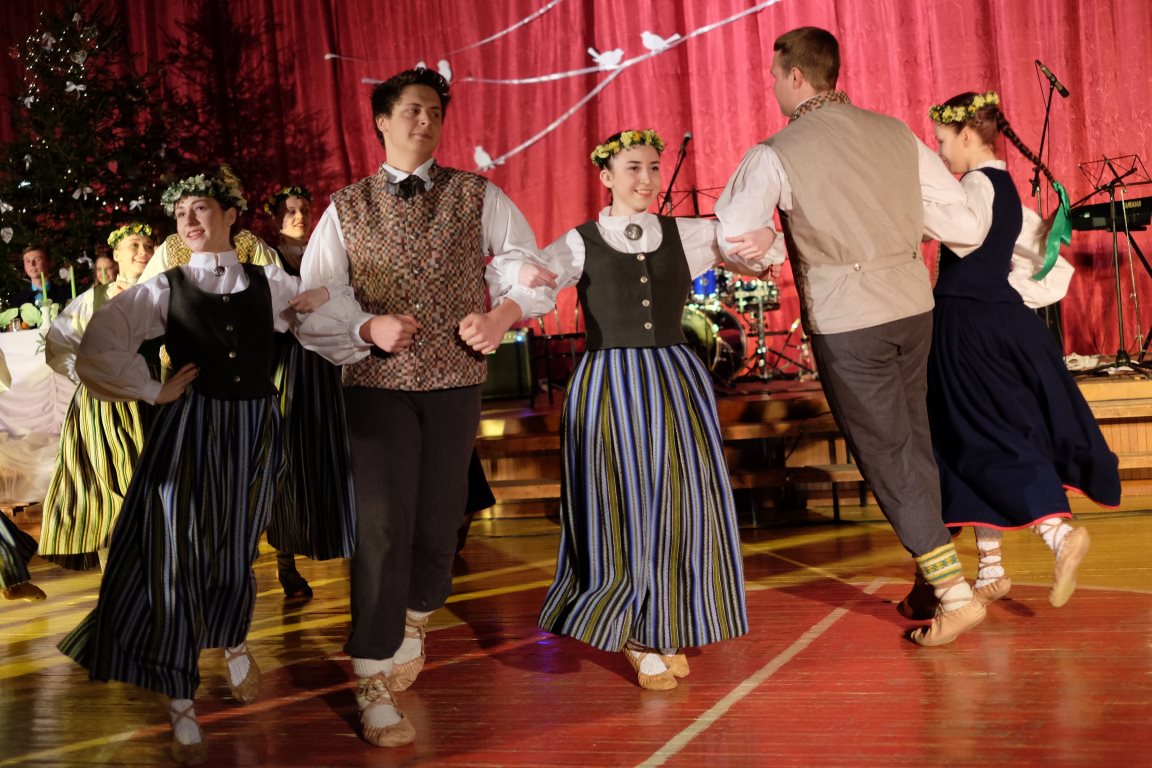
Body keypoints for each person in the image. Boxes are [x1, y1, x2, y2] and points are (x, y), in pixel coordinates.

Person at [297, 66, 549, 748]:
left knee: (440, 524)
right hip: (374, 389)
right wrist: (365, 328)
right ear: (382, 121)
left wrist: (501, 316)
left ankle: (416, 612)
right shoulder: (346, 207)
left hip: (455, 383)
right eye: (411, 109)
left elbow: (526, 265)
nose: (425, 121)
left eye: (434, 111)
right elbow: (314, 300)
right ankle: (371, 675)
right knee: (381, 526)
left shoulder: (476, 194)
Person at [714, 26, 990, 646]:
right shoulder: (895, 133)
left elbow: (733, 240)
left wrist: (772, 246)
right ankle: (931, 581)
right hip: (912, 305)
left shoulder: (775, 152)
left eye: (774, 75)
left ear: (795, 76)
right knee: (914, 443)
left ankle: (953, 594)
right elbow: (966, 226)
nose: (773, 87)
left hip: (848, 319)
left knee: (887, 454)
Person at [57, 172, 323, 765]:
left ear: (230, 215)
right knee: (176, 552)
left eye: (200, 209)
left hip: (254, 429)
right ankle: (180, 694)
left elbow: (319, 318)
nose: (189, 221)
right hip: (191, 427)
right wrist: (151, 390)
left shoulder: (269, 282)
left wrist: (334, 305)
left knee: (236, 546)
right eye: (180, 214)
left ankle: (232, 638)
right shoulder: (164, 287)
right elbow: (99, 344)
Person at [535, 129, 756, 690]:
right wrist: (510, 297)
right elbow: (533, 284)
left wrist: (759, 239)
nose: (647, 178)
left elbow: (750, 247)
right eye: (633, 167)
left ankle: (666, 623)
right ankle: (634, 633)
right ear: (606, 176)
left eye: (654, 167)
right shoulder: (581, 241)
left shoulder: (687, 233)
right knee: (624, 503)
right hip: (610, 381)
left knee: (684, 501)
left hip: (675, 377)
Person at [925, 90, 1119, 610]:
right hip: (1005, 322)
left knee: (981, 435)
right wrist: (1005, 296)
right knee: (975, 435)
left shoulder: (972, 186)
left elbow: (961, 233)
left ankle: (1058, 535)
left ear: (968, 135)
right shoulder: (1007, 187)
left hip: (967, 326)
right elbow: (1049, 267)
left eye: (942, 140)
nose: (940, 151)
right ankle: (990, 568)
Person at [39, 223, 161, 571]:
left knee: (155, 478)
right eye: (134, 245)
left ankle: (154, 564)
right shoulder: (93, 299)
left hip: (154, 395)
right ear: (117, 254)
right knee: (111, 481)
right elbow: (58, 345)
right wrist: (90, 374)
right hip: (105, 404)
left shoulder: (164, 292)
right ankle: (116, 569)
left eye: (148, 245)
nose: (143, 252)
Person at [262, 184, 355, 597]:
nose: (299, 216)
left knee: (338, 454)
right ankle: (286, 563)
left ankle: (351, 546)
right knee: (289, 458)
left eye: (303, 209)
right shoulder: (269, 259)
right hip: (290, 367)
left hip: (329, 364)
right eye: (290, 211)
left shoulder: (325, 255)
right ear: (276, 220)